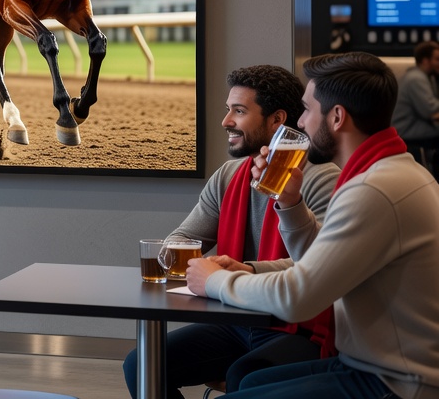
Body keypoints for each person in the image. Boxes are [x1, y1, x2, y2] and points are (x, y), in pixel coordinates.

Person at [186, 52, 439, 399]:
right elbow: (317, 263)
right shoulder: (390, 173)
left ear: (336, 117)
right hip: (367, 363)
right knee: (253, 382)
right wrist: (290, 203)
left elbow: (297, 298)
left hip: (395, 381)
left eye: (306, 110)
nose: (301, 123)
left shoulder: (374, 191)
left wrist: (215, 280)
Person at [122, 65, 339, 397]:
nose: (226, 121)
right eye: (228, 110)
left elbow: (318, 264)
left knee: (244, 374)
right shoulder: (228, 175)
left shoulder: (321, 177)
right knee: (141, 363)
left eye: (239, 111)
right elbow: (183, 237)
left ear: (277, 119)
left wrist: (243, 270)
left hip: (298, 327)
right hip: (236, 320)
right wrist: (181, 258)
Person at [392, 40, 439, 173]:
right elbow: (430, 110)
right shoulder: (416, 78)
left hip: (410, 127)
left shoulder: (419, 76)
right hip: (408, 131)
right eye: (436, 59)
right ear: (425, 60)